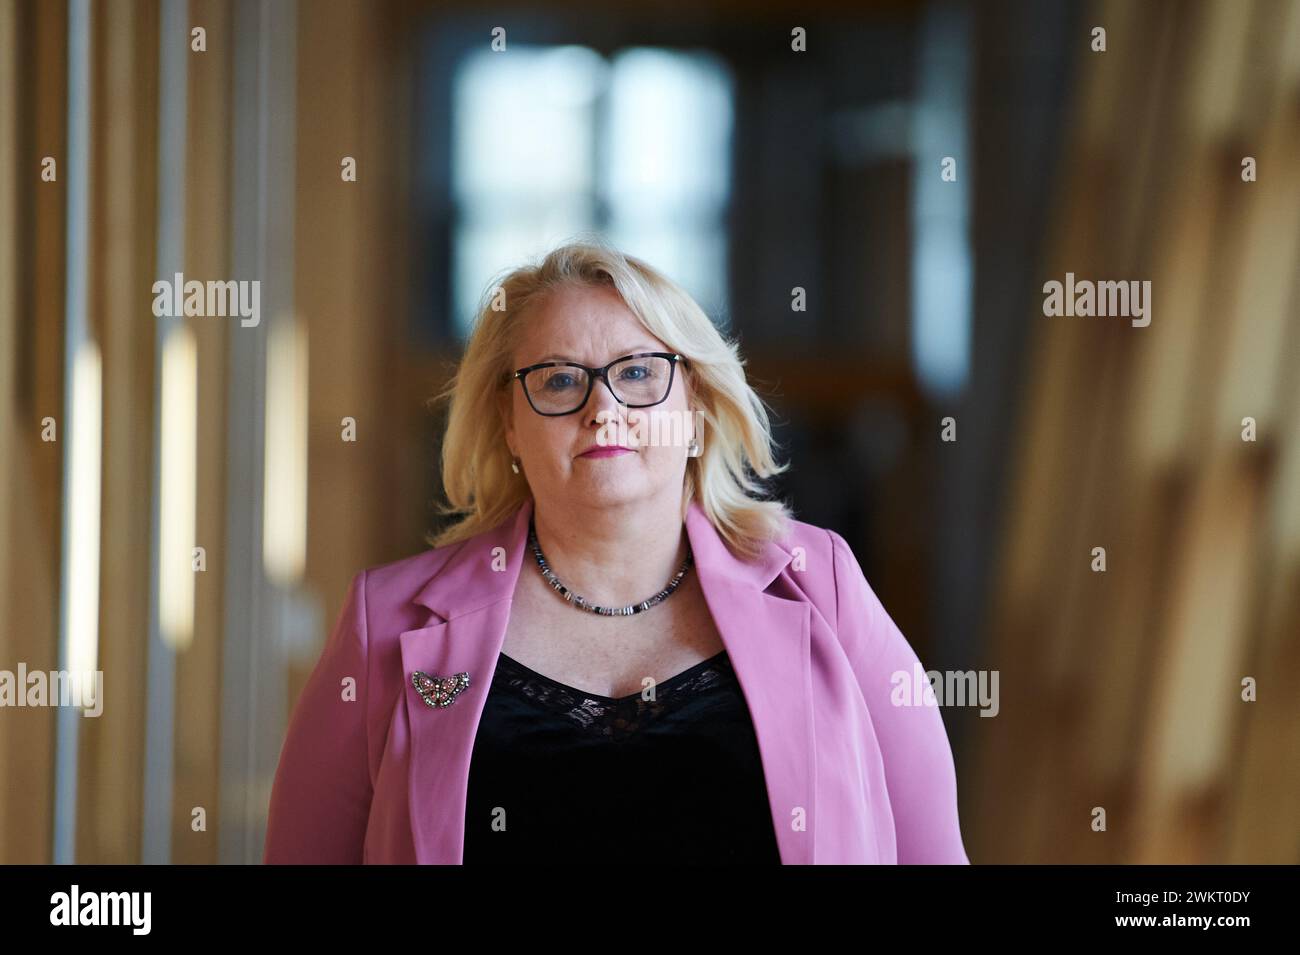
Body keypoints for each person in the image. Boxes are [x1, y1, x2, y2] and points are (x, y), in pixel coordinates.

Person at [263, 239, 970, 864]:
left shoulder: (823, 589)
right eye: (560, 379)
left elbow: (930, 855)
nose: (604, 409)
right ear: (509, 424)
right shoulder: (386, 623)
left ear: (694, 408)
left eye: (637, 373)